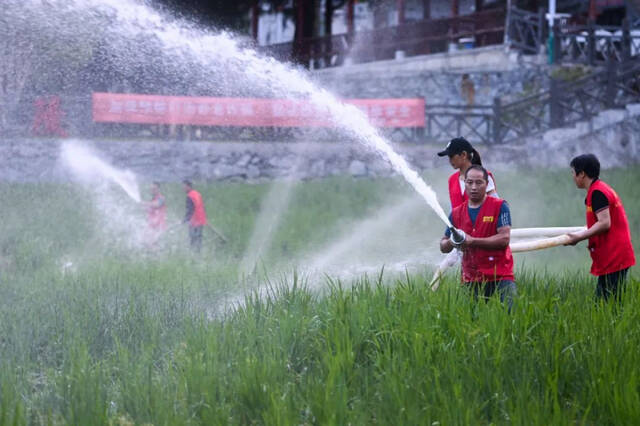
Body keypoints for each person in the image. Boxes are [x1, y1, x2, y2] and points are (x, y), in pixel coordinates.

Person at [440, 165, 516, 311]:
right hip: (471, 278)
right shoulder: (456, 213)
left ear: (487, 184)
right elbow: (443, 246)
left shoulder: (500, 206)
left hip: (500, 275)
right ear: (465, 185)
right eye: (469, 183)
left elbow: (504, 239)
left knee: (511, 317)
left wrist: (473, 241)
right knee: (467, 323)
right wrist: (452, 241)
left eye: (479, 182)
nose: (474, 187)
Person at [564, 154, 635, 302]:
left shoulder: (598, 192)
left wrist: (578, 237)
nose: (572, 177)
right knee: (603, 302)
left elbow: (604, 223)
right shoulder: (599, 189)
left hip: (615, 256)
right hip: (612, 256)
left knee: (609, 303)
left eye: (573, 172)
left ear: (582, 173)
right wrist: (586, 229)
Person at [437, 137, 498, 210]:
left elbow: (496, 207)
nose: (450, 160)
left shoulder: (483, 176)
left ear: (463, 155)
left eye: (451, 156)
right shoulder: (452, 180)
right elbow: (453, 208)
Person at [182, 180, 208, 252]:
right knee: (199, 239)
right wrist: (204, 219)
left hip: (194, 221)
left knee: (193, 239)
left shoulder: (189, 196)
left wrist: (184, 220)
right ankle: (198, 254)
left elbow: (190, 210)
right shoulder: (197, 194)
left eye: (184, 186)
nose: (182, 188)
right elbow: (202, 206)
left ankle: (193, 255)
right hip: (201, 220)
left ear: (188, 186)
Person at [143, 181, 167, 246]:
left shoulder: (161, 198)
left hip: (158, 225)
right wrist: (145, 208)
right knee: (146, 240)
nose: (152, 190)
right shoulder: (153, 199)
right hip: (152, 224)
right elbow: (151, 209)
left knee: (153, 243)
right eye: (151, 189)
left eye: (154, 189)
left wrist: (146, 203)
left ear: (158, 189)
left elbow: (157, 205)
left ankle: (157, 254)